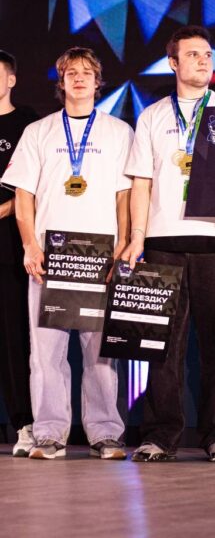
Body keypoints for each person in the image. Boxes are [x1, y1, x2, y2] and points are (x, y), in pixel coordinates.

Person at [2, 47, 133, 460]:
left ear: (98, 82)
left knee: (101, 352)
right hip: (51, 254)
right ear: (61, 82)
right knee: (46, 354)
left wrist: (123, 242)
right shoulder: (38, 131)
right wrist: (30, 244)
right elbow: (24, 195)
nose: (79, 78)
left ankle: (105, 433)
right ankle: (49, 434)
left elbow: (124, 195)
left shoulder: (119, 132)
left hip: (100, 254)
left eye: (87, 72)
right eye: (71, 72)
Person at [122, 25, 215, 463]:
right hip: (163, 241)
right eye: (193, 55)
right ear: (173, 63)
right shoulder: (152, 116)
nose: (203, 61)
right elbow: (141, 182)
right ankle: (160, 435)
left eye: (208, 54)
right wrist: (136, 237)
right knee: (161, 345)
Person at [0, 51, 37, 457]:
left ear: (11, 79)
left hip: (9, 251)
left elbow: (33, 186)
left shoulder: (28, 124)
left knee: (14, 343)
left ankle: (24, 424)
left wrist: (6, 209)